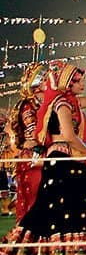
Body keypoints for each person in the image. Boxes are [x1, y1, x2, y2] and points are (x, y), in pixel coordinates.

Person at [0, 59, 86, 255]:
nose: (82, 85)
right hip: (60, 158)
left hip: (64, 158)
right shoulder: (62, 104)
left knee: (57, 211)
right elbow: (69, 136)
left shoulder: (71, 101)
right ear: (67, 82)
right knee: (83, 199)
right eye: (79, 81)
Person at [7, 63, 47, 221]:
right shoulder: (28, 106)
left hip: (44, 153)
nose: (48, 82)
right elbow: (34, 136)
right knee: (35, 199)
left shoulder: (43, 103)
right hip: (33, 156)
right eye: (44, 79)